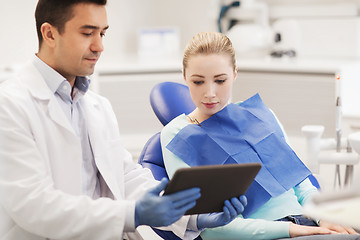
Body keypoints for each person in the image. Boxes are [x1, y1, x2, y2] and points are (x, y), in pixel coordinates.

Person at [0, 2, 247, 239]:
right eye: (87, 33)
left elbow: (125, 179)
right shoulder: (10, 105)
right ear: (50, 34)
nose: (99, 46)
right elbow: (33, 204)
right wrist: (133, 213)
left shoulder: (98, 107)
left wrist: (194, 216)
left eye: (102, 34)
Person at [161, 32, 360, 240]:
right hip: (271, 234)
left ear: (235, 73)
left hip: (309, 225)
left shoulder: (260, 115)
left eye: (220, 80)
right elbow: (209, 227)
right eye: (198, 82)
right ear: (184, 77)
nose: (210, 93)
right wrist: (290, 230)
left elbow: (301, 184)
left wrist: (324, 219)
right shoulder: (178, 135)